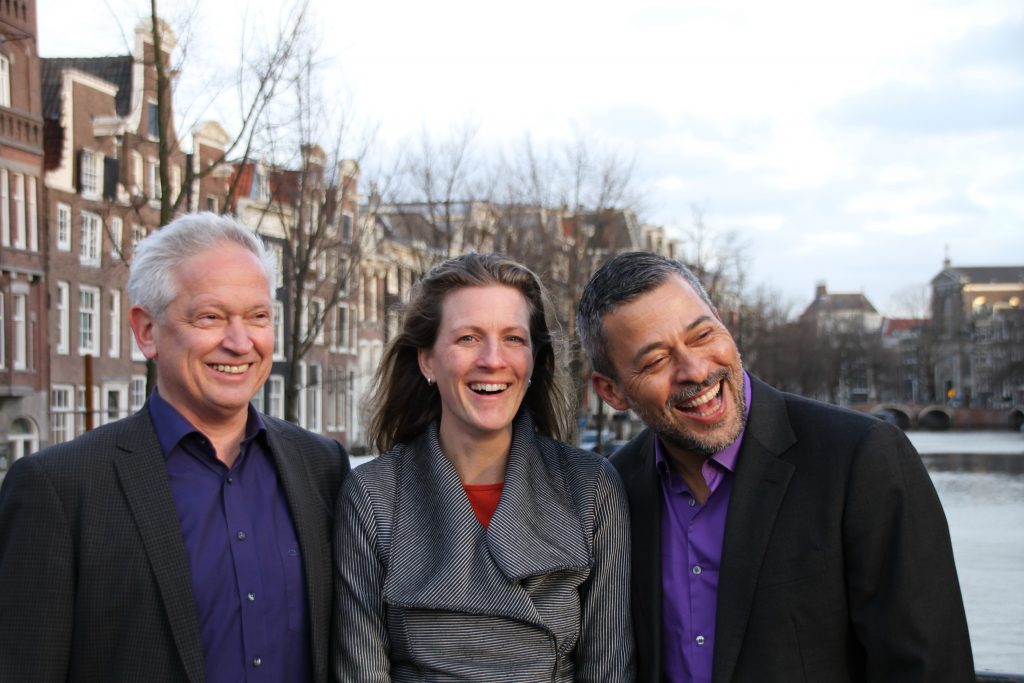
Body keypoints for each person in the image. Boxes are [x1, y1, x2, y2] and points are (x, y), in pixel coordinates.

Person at [576, 251, 974, 683]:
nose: (694, 370)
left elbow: (929, 668)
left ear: (726, 324)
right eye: (655, 361)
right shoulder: (613, 491)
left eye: (702, 334)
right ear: (611, 391)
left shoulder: (861, 459)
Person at [0, 212, 350, 683]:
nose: (240, 342)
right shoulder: (59, 489)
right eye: (210, 317)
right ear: (147, 331)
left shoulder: (322, 468)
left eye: (258, 317)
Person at [332, 253, 634, 682]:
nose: (493, 359)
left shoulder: (590, 488)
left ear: (533, 362)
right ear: (427, 361)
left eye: (513, 338)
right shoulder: (373, 496)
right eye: (468, 338)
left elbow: (610, 669)